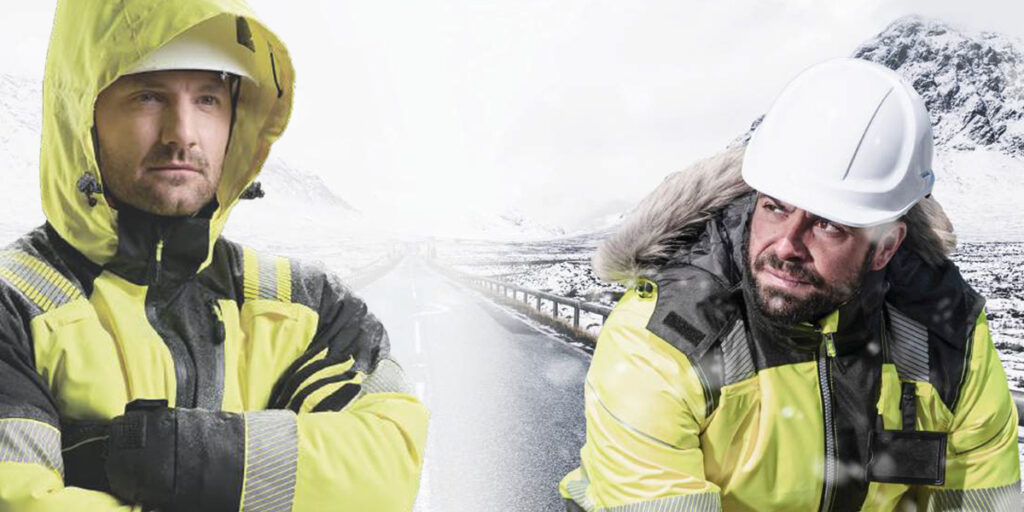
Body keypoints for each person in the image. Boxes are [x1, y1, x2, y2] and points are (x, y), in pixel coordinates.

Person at [0, 1, 427, 511]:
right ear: (81, 115)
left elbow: (385, 476)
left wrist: (162, 454)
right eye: (147, 95)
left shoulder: (312, 307)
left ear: (235, 119)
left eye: (207, 99)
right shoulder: (14, 308)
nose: (183, 132)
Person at [560, 58, 1020, 511]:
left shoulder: (947, 335)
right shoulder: (664, 337)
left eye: (827, 225)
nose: (786, 246)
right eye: (775, 207)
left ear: (885, 247)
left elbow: (984, 498)